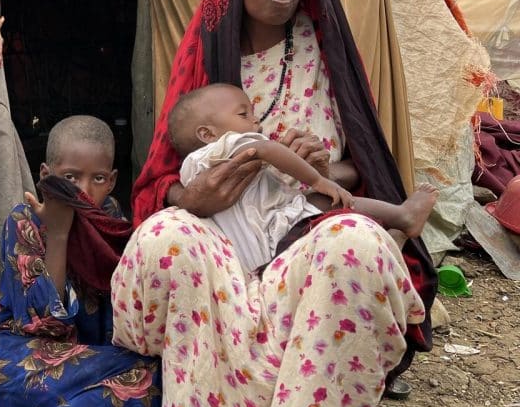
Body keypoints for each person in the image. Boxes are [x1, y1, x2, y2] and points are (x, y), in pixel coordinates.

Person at [112, 0, 437, 407]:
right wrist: (195, 199)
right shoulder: (204, 58)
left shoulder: (323, 47)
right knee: (165, 235)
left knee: (358, 246)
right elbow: (159, 182)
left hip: (301, 247)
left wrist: (318, 171)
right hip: (222, 259)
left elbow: (356, 170)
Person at [0, 116, 161, 407]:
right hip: (25, 367)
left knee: (156, 377)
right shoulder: (24, 221)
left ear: (113, 181)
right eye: (71, 177)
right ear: (46, 173)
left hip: (94, 363)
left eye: (98, 179)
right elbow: (43, 324)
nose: (83, 191)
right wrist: (58, 234)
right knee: (140, 384)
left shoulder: (110, 220)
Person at [169, 82, 439, 274]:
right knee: (325, 200)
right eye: (244, 114)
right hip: (276, 229)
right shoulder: (228, 144)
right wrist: (319, 180)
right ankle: (402, 216)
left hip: (246, 255)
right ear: (207, 134)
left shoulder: (190, 169)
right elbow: (267, 149)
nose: (257, 123)